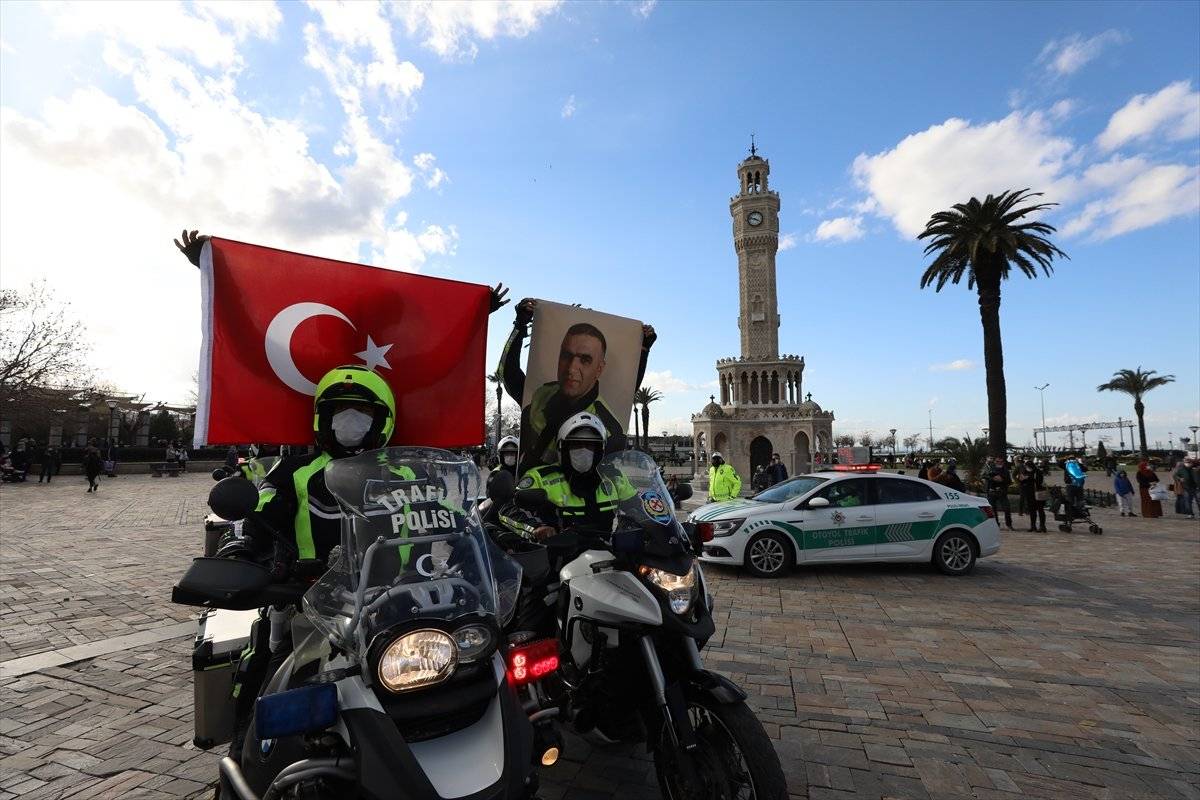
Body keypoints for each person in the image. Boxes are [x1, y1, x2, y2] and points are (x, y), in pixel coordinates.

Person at [499, 297, 656, 474]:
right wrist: (520, 325)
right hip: (532, 496)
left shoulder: (610, 428)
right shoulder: (539, 397)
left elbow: (628, 387)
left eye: (585, 360)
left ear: (599, 369)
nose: (572, 368)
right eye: (566, 355)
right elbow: (507, 373)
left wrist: (642, 351)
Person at [515, 412, 639, 538]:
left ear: (600, 449)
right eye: (576, 444)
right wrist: (536, 528)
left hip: (608, 553)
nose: (583, 450)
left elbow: (639, 508)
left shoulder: (614, 477)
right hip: (557, 554)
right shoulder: (540, 477)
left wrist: (640, 525)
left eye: (590, 445)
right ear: (562, 448)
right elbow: (510, 508)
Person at [984, 456, 1014, 530]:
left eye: (1000, 462)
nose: (999, 463)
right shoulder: (991, 468)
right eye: (997, 461)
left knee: (1007, 509)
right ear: (995, 462)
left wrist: (1002, 480)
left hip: (1002, 492)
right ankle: (996, 524)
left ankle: (1009, 525)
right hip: (992, 492)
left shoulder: (1005, 470)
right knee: (992, 510)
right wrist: (993, 478)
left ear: (1003, 462)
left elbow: (1009, 481)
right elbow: (984, 476)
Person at [1018, 460, 1046, 532]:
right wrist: (1021, 479)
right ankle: (1033, 526)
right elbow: (1021, 481)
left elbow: (1039, 481)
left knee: (1040, 510)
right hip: (1029, 493)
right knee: (1032, 510)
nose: (1026, 468)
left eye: (1027, 467)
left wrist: (1029, 478)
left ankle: (1042, 526)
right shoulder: (1025, 472)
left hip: (1038, 493)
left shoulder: (1037, 472)